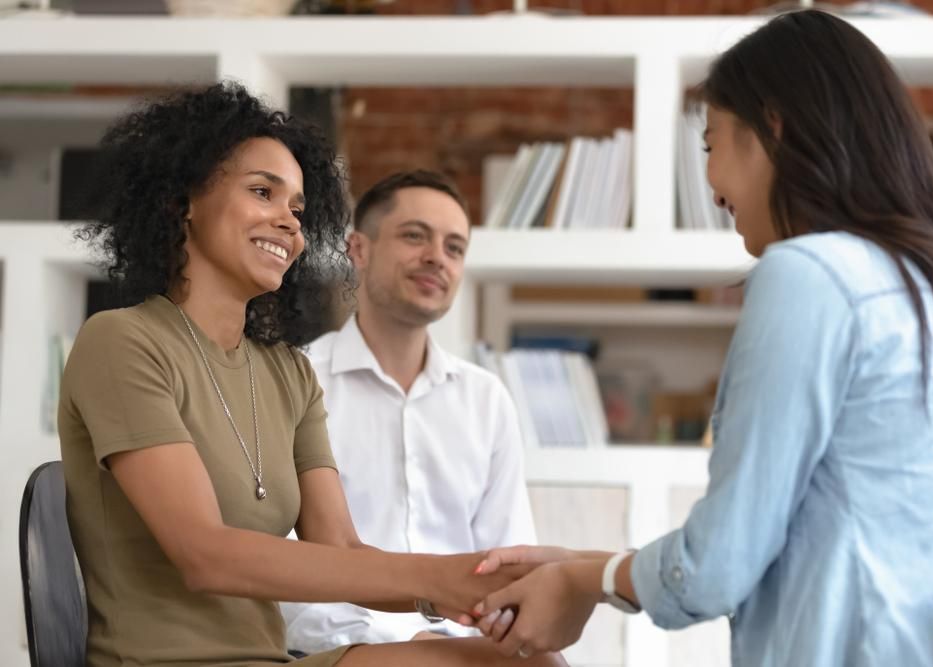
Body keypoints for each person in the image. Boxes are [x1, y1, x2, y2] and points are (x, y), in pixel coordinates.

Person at [465, 10, 933, 666]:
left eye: (710, 143)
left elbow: (717, 564)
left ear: (772, 125)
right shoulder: (925, 281)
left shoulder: (810, 274)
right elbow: (802, 528)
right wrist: (589, 566)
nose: (712, 187)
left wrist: (587, 581)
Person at [59, 81, 566, 667]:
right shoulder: (123, 341)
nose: (289, 223)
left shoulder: (289, 374)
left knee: (531, 661)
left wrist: (463, 597)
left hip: (277, 661)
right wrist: (440, 577)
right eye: (262, 193)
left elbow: (342, 548)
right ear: (182, 202)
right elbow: (205, 555)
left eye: (298, 209)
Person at [281, 170, 536, 651]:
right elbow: (284, 572)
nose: (436, 257)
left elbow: (507, 564)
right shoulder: (298, 381)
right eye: (415, 236)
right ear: (358, 249)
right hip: (339, 652)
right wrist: (408, 646)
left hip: (468, 653)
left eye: (454, 248)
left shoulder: (486, 399)